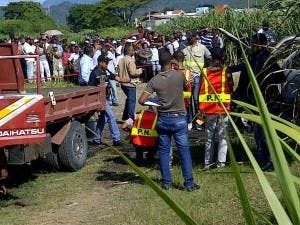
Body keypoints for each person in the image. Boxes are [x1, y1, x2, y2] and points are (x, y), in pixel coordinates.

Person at [138, 50, 200, 191]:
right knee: (184, 151)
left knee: (165, 151)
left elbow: (141, 100)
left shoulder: (155, 80)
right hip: (179, 118)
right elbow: (186, 87)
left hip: (163, 119)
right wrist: (177, 66)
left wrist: (155, 104)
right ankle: (189, 184)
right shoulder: (179, 75)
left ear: (159, 63)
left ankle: (166, 183)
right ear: (171, 61)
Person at [199, 48, 233, 170]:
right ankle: (221, 164)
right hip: (223, 109)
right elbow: (231, 88)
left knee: (209, 137)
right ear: (222, 58)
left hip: (208, 110)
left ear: (211, 58)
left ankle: (207, 163)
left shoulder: (205, 72)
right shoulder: (226, 71)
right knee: (223, 136)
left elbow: (200, 90)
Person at [88, 55, 122, 146]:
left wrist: (128, 80)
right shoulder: (95, 73)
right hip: (99, 99)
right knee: (111, 117)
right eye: (106, 62)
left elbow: (115, 78)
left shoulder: (105, 71)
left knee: (103, 118)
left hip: (105, 98)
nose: (107, 64)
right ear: (100, 63)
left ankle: (96, 138)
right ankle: (116, 138)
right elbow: (89, 89)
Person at [182, 31, 211, 130]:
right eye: (188, 38)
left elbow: (210, 58)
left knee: (197, 99)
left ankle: (199, 122)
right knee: (188, 100)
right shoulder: (184, 48)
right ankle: (190, 121)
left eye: (191, 37)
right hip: (186, 77)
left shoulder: (202, 47)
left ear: (195, 37)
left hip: (198, 76)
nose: (189, 39)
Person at [117, 44, 143, 121]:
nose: (134, 51)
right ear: (129, 51)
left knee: (129, 100)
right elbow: (133, 73)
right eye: (132, 50)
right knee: (132, 101)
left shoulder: (121, 59)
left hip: (123, 83)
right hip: (130, 83)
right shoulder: (130, 60)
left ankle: (125, 116)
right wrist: (140, 71)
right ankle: (130, 118)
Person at [172, 50, 193, 130]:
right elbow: (190, 87)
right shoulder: (188, 73)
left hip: (173, 103)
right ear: (183, 59)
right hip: (185, 103)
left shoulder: (171, 72)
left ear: (174, 60)